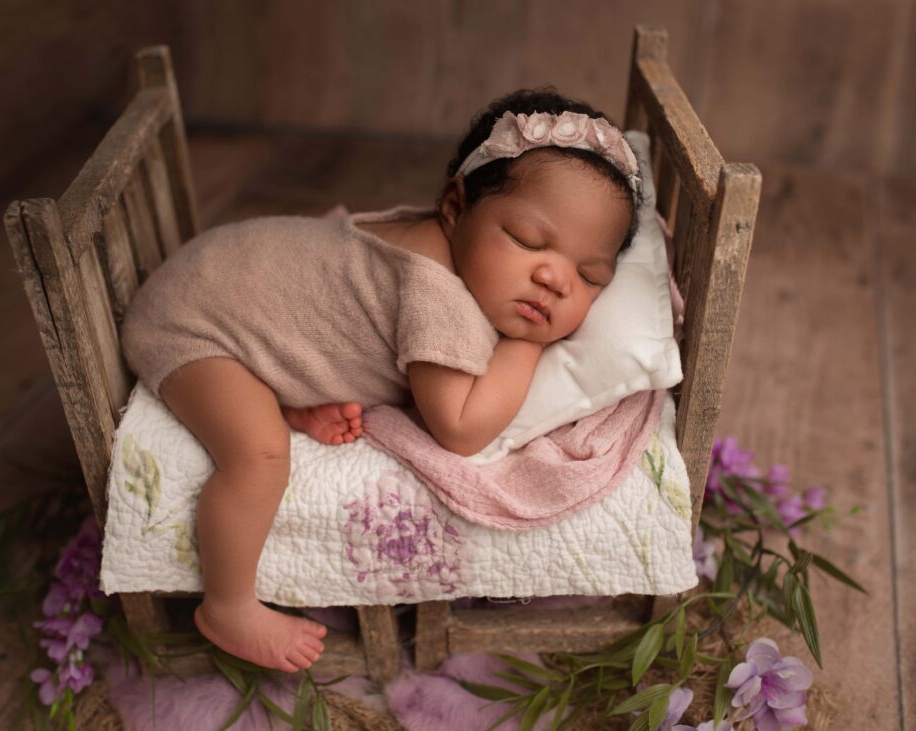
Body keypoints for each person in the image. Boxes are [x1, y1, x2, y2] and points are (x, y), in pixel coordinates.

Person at [120, 87, 642, 673]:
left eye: (589, 276)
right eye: (526, 241)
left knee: (295, 346)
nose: (554, 278)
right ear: (454, 207)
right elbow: (460, 428)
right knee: (259, 455)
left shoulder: (450, 245)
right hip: (192, 325)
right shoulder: (436, 294)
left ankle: (286, 390)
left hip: (230, 281)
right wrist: (526, 345)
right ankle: (228, 606)